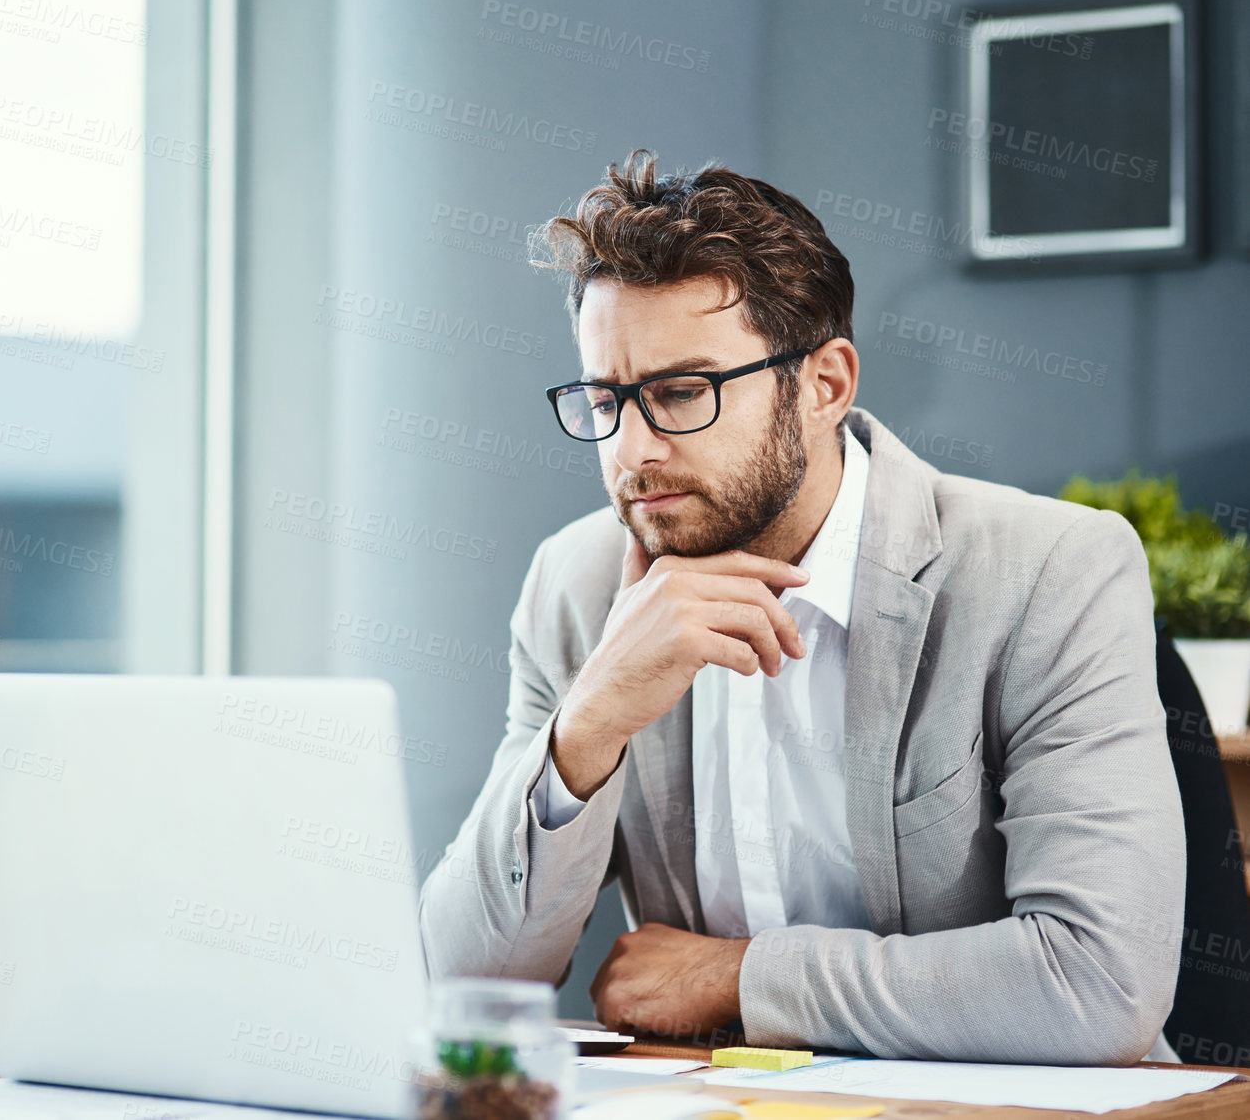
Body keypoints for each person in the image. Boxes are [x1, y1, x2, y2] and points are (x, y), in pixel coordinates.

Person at [418, 150, 1184, 1065]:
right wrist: (588, 723)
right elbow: (458, 982)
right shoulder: (577, 584)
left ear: (823, 385)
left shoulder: (1047, 571)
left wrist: (735, 978)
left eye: (679, 393)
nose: (632, 451)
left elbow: (1095, 987)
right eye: (603, 400)